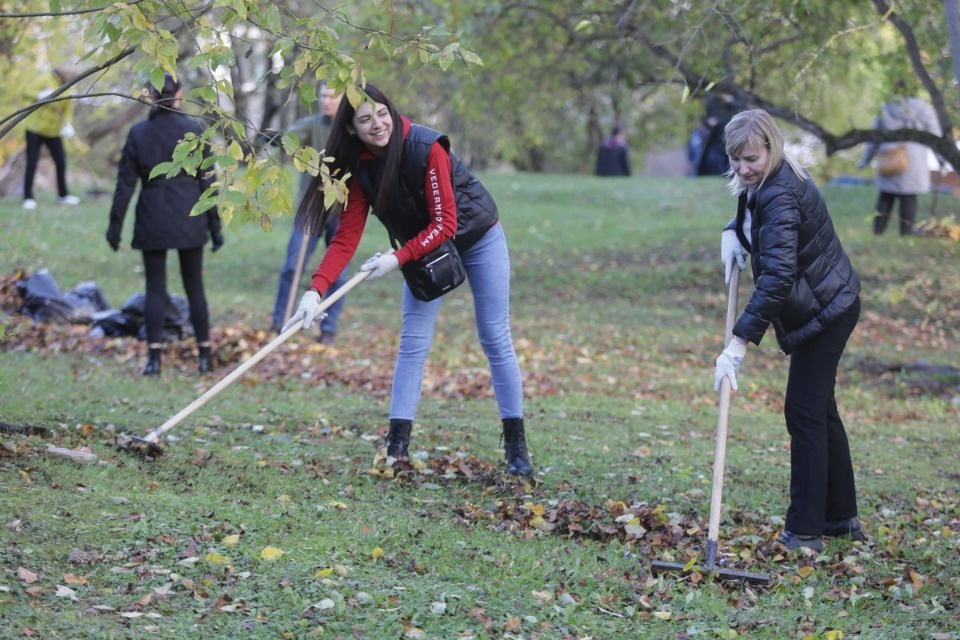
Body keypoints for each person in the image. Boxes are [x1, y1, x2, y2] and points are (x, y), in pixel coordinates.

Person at [284, 83, 533, 476]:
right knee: (413, 342)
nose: (378, 123)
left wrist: (397, 257)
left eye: (382, 113)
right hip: (422, 247)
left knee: (494, 335)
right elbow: (346, 239)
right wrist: (315, 291)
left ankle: (517, 449)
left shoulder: (426, 147)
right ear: (351, 129)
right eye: (365, 119)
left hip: (477, 236)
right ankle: (396, 448)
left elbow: (447, 223)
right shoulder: (360, 170)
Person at [716, 109, 863, 551]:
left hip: (827, 310)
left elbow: (778, 280)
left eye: (751, 159)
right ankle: (840, 519)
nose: (743, 168)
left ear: (771, 149)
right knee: (820, 411)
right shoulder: (770, 179)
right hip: (827, 302)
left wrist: (738, 343)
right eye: (736, 159)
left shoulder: (780, 192)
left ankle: (804, 532)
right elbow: (753, 210)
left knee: (803, 412)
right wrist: (734, 231)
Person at [106, 73, 223, 376]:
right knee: (194, 287)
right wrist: (216, 226)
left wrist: (114, 228)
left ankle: (154, 360)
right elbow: (208, 180)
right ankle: (205, 356)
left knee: (155, 288)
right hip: (190, 212)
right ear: (180, 94)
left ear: (150, 94)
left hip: (152, 215)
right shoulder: (194, 129)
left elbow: (124, 186)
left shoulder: (139, 132)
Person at [270, 85, 348, 343]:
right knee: (292, 265)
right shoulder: (311, 125)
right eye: (323, 95)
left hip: (340, 209)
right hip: (311, 207)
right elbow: (288, 139)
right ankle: (279, 321)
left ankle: (329, 329)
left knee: (337, 271)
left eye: (331, 96)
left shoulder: (352, 128)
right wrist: (269, 137)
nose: (326, 101)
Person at [857, 84, 941, 236]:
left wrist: (865, 159)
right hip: (913, 160)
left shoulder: (885, 108)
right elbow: (935, 136)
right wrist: (941, 159)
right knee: (909, 197)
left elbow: (873, 136)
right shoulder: (923, 109)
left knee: (886, 195)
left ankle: (878, 231)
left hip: (889, 157)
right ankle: (906, 233)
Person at [21, 66, 81, 209]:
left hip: (54, 131)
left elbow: (67, 112)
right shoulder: (46, 78)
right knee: (32, 161)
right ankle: (28, 198)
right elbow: (26, 92)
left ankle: (63, 195)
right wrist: (40, 95)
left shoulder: (69, 89)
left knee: (60, 161)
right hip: (35, 129)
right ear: (66, 74)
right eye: (71, 76)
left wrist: (67, 125)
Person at [696, 91, 742, 177]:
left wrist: (731, 101)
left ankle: (730, 175)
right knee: (712, 159)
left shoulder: (737, 101)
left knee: (730, 158)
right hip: (716, 137)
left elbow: (743, 112)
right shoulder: (713, 102)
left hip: (731, 137)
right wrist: (708, 122)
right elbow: (704, 117)